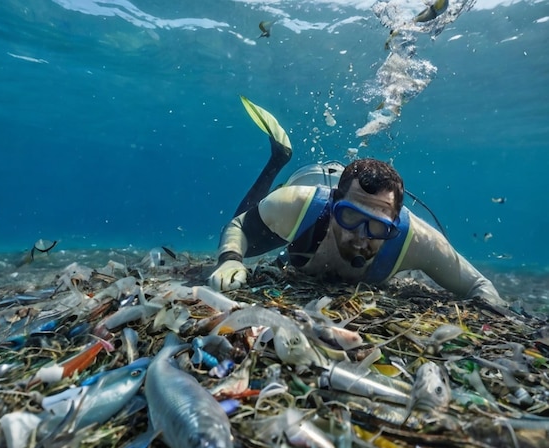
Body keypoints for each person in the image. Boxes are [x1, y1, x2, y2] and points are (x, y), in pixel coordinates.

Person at [209, 97, 507, 308]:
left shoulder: (418, 240)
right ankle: (279, 160)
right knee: (245, 244)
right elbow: (239, 225)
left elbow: (478, 286)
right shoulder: (297, 205)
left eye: (378, 226)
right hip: (311, 178)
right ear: (335, 203)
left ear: (395, 222)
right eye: (350, 218)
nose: (361, 237)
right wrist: (230, 260)